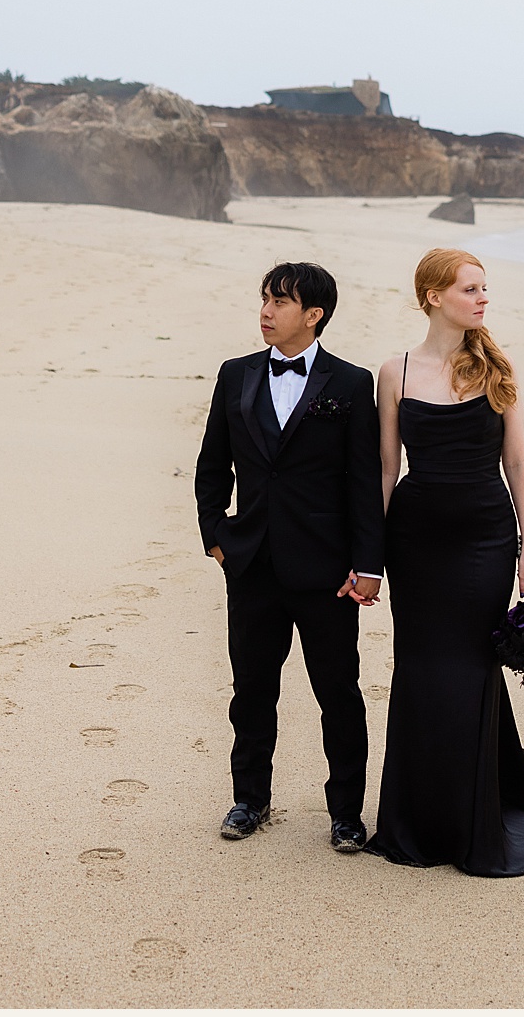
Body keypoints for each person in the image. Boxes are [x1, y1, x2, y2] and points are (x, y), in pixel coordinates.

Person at [367, 247, 524, 877]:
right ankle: (415, 820)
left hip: (484, 536)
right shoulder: (393, 372)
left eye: (485, 289)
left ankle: (471, 815)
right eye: (470, 289)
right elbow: (385, 469)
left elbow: (518, 464)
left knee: (472, 666)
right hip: (415, 539)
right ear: (432, 296)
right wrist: (368, 552)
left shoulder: (497, 368)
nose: (482, 299)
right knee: (422, 670)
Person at [193, 261, 385, 853]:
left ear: (314, 315)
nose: (266, 311)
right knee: (251, 689)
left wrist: (369, 565)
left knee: (339, 693)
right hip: (250, 566)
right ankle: (249, 799)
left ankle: (346, 813)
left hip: (327, 572)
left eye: (280, 302)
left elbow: (363, 482)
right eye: (264, 298)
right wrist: (217, 539)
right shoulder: (236, 375)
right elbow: (211, 468)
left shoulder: (351, 384)